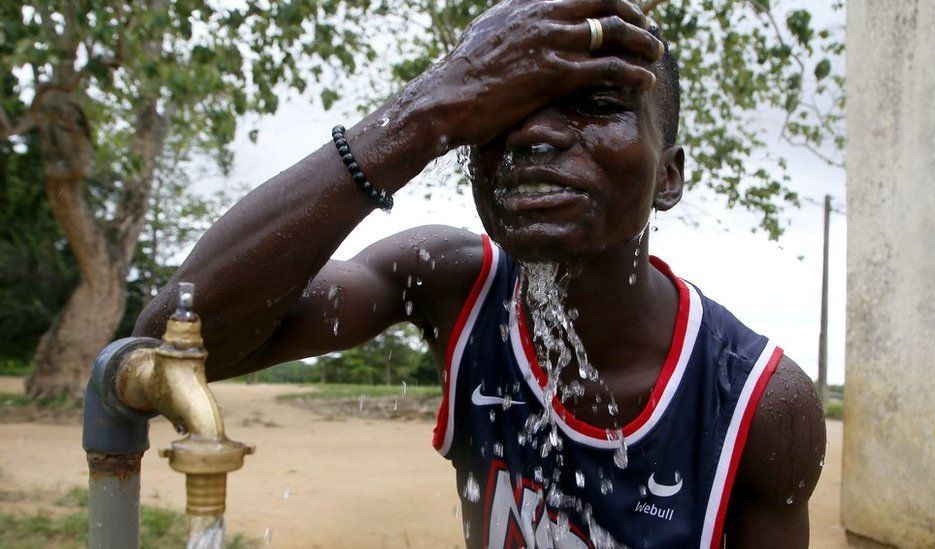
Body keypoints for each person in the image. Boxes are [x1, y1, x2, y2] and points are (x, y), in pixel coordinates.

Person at [135, 1, 826, 547]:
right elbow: (173, 340)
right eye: (499, 110)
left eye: (599, 105)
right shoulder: (450, 284)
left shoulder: (756, 405)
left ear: (668, 175)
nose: (530, 135)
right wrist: (425, 108)